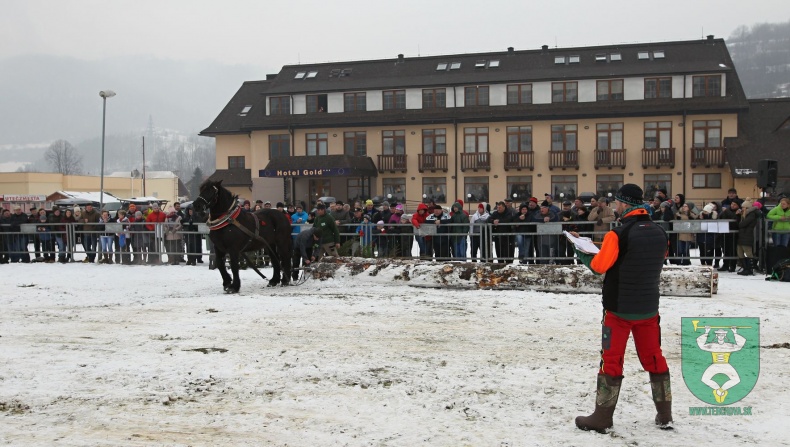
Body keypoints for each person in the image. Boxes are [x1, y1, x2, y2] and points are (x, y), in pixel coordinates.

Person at [572, 184, 672, 433]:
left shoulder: (618, 234)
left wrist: (581, 251)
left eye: (617, 202)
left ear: (624, 204)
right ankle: (665, 415)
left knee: (611, 359)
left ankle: (602, 417)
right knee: (654, 357)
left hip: (618, 310)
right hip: (649, 308)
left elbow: (599, 266)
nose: (615, 206)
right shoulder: (660, 232)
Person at [736, 200, 761, 276]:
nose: (742, 209)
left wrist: (740, 219)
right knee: (740, 252)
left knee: (748, 252)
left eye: (743, 207)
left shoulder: (751, 215)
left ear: (747, 207)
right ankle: (745, 268)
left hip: (747, 236)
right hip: (742, 236)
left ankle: (749, 269)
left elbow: (742, 224)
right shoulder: (744, 215)